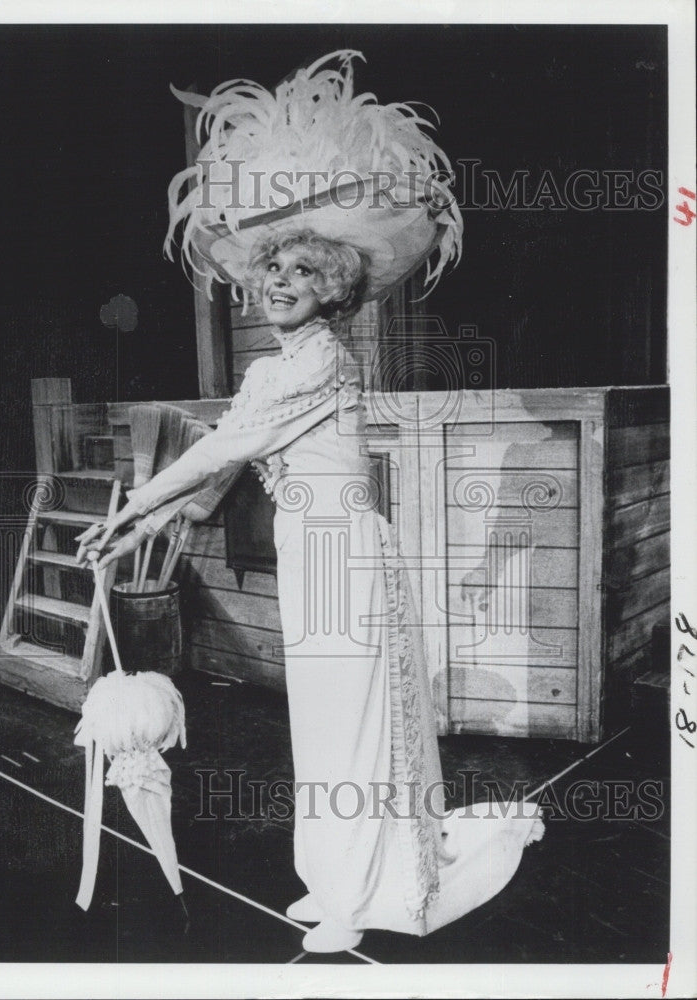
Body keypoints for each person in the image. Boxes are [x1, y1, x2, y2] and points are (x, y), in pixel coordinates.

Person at [77, 50, 544, 954]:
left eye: (301, 268)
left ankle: (368, 889)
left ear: (332, 280)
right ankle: (334, 879)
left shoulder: (328, 356)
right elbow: (217, 475)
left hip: (347, 558)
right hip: (307, 553)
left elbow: (223, 444)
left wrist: (130, 507)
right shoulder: (270, 368)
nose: (281, 282)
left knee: (356, 732)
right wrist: (138, 525)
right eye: (271, 269)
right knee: (323, 732)